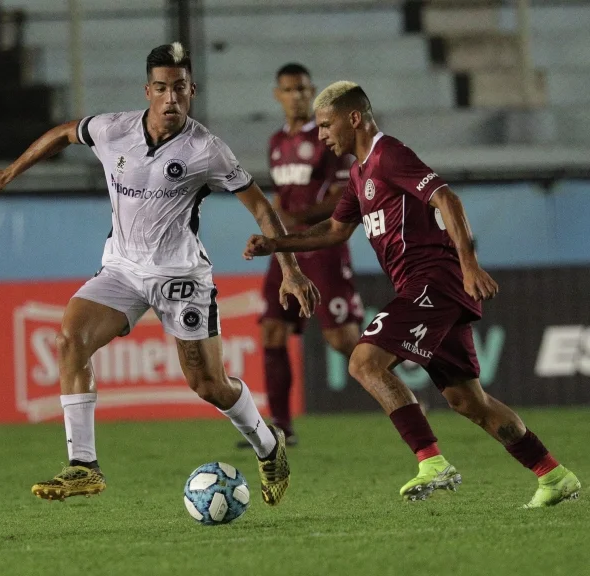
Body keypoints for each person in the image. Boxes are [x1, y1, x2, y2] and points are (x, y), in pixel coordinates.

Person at [0, 43, 320, 506]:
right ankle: (84, 466)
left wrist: (288, 269)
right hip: (123, 271)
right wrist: (9, 174)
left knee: (207, 384)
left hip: (181, 278)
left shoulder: (206, 149)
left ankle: (268, 445)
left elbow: (262, 208)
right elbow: (64, 133)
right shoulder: (114, 129)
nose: (171, 98)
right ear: (147, 91)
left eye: (180, 88)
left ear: (193, 90)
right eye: (162, 88)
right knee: (71, 339)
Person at [244, 81, 580, 507]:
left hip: (434, 280)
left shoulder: (388, 154)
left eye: (327, 125)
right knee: (467, 399)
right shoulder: (360, 173)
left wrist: (469, 263)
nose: (322, 134)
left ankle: (431, 461)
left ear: (354, 118)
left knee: (364, 362)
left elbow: (447, 198)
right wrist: (277, 244)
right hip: (426, 286)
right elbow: (333, 230)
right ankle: (553, 475)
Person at [238, 63, 362, 449]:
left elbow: (342, 197)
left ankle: (406, 398)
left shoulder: (328, 137)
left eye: (304, 89)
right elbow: (279, 198)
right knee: (271, 331)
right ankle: (280, 427)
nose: (298, 96)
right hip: (286, 250)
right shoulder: (276, 141)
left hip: (320, 246)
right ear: (278, 94)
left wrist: (292, 219)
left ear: (313, 94)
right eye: (290, 90)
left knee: (341, 339)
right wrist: (277, 225)